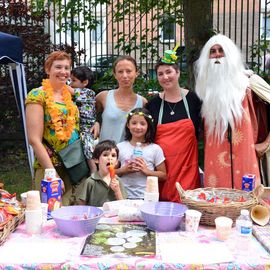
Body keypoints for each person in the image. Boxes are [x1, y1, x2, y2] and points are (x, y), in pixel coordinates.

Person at [194, 34, 270, 189]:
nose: (216, 55)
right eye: (212, 51)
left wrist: (266, 143)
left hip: (246, 157)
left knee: (248, 203)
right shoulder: (204, 91)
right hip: (214, 162)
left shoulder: (249, 84)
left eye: (221, 50)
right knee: (216, 202)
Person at [25, 51, 81, 205]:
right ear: (48, 69)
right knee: (51, 215)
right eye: (58, 67)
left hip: (73, 166)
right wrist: (52, 174)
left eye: (67, 68)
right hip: (49, 166)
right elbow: (34, 140)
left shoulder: (70, 96)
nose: (63, 72)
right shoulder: (37, 95)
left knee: (72, 215)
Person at [146, 49, 202, 202]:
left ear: (177, 73)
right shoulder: (153, 104)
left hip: (188, 169)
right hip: (163, 170)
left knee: (188, 205)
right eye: (160, 74)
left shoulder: (193, 100)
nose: (165, 77)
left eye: (168, 72)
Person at [95, 55, 148, 144]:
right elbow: (90, 117)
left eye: (128, 71)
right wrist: (96, 122)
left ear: (136, 73)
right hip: (105, 155)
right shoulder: (103, 97)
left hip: (130, 156)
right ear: (115, 74)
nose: (124, 75)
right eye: (120, 72)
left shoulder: (142, 102)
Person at [116, 108, 166, 199]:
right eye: (134, 123)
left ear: (148, 126)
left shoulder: (155, 149)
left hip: (147, 196)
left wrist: (147, 171)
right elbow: (110, 172)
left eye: (142, 124)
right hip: (122, 196)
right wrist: (124, 170)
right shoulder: (120, 147)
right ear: (128, 125)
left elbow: (163, 175)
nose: (138, 127)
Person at [77, 140, 127, 206]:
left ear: (116, 162)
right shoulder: (90, 181)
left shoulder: (118, 181)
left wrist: (117, 191)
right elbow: (82, 203)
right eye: (105, 155)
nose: (110, 158)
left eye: (113, 155)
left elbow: (123, 205)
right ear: (96, 160)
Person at [69, 66, 97, 173]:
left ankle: (93, 169)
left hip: (87, 127)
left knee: (87, 146)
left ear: (85, 82)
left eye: (73, 80)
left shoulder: (88, 93)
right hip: (79, 126)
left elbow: (69, 90)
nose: (70, 83)